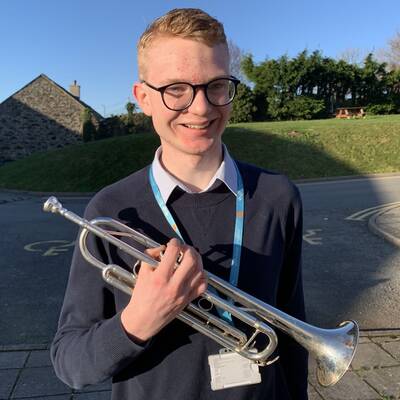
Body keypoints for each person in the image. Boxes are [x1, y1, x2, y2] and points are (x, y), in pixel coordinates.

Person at [51, 8, 308, 400]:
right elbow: (70, 363)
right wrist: (138, 320)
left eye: (216, 85)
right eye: (175, 89)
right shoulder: (112, 210)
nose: (201, 107)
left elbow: (293, 332)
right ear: (143, 99)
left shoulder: (278, 196)